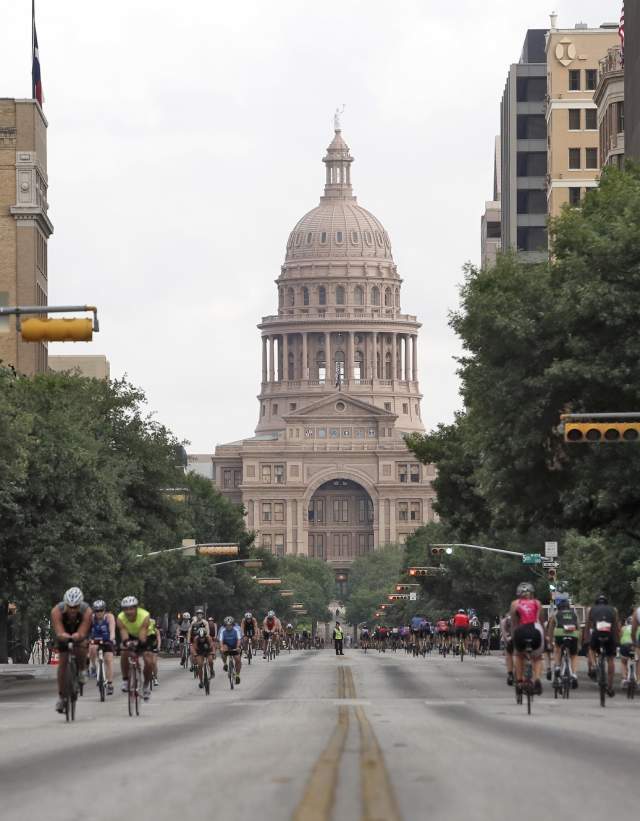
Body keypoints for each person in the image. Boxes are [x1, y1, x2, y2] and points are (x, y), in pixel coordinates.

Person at [51, 588, 92, 713]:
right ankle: (61, 696)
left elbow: (83, 630)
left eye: (76, 607)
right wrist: (63, 636)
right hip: (64, 631)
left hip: (79, 632)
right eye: (70, 607)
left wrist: (78, 636)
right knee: (62, 664)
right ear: (66, 604)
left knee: (81, 646)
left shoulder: (87, 611)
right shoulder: (56, 611)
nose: (73, 610)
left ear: (80, 605)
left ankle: (82, 670)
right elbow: (59, 630)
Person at [509, 582, 545, 695]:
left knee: (518, 655)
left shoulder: (515, 604)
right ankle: (537, 679)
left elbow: (514, 624)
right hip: (535, 632)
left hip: (521, 631)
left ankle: (519, 680)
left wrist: (512, 638)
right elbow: (542, 622)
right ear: (532, 594)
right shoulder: (537, 603)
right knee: (538, 657)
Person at [117, 596, 154, 701]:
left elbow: (142, 634)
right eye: (126, 609)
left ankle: (146, 685)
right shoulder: (120, 618)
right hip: (131, 634)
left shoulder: (144, 616)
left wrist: (139, 643)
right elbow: (123, 633)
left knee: (148, 660)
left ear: (136, 608)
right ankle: (125, 680)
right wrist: (127, 643)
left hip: (147, 635)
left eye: (131, 608)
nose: (129, 611)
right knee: (125, 652)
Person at [586, 593, 620, 697]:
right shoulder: (614, 610)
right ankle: (610, 686)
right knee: (610, 659)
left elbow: (589, 624)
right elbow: (616, 625)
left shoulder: (592, 609)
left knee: (591, 649)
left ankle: (595, 666)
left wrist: (587, 638)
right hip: (609, 633)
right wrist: (617, 640)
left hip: (597, 632)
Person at [547, 593, 579, 688]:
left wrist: (550, 642)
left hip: (560, 634)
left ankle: (557, 667)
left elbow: (550, 629)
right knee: (573, 655)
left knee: (557, 648)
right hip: (573, 634)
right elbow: (579, 628)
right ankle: (573, 674)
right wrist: (579, 643)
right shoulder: (574, 614)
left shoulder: (555, 614)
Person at [88, 599, 116, 695]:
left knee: (108, 660)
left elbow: (112, 629)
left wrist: (112, 638)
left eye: (101, 610)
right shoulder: (91, 618)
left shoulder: (109, 617)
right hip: (95, 640)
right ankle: (94, 667)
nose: (99, 613)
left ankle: (110, 684)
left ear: (104, 610)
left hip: (107, 640)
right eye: (96, 611)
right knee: (92, 648)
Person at [219, 616, 242, 684]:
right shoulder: (222, 631)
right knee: (223, 649)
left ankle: (237, 675)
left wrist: (238, 647)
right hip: (226, 645)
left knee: (238, 660)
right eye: (227, 625)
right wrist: (221, 647)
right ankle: (225, 663)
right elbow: (221, 641)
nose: (228, 626)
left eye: (230, 625)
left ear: (233, 625)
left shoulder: (236, 630)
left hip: (234, 645)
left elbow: (238, 640)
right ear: (225, 625)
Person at [191, 623, 214, 688]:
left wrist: (213, 653)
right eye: (200, 638)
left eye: (203, 637)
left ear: (205, 635)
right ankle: (201, 681)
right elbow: (194, 648)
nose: (202, 639)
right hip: (199, 651)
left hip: (208, 651)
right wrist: (195, 654)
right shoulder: (196, 639)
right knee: (200, 665)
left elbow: (212, 646)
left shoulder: (208, 638)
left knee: (210, 661)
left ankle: (212, 670)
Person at [619, 615, 634, 687]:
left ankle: (624, 678)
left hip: (625, 646)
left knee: (623, 662)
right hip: (635, 647)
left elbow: (620, 638)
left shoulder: (623, 628)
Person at [500, 612, 514, 686]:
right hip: (524, 637)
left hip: (512, 638)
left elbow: (504, 633)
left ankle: (510, 674)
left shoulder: (506, 620)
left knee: (508, 653)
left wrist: (507, 640)